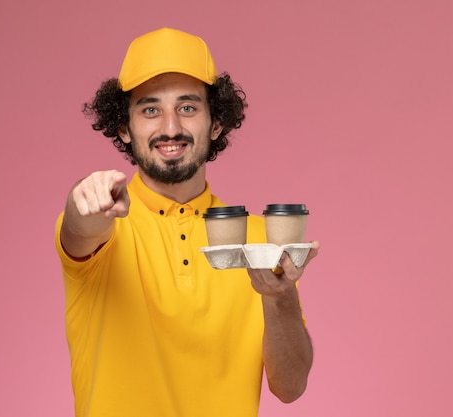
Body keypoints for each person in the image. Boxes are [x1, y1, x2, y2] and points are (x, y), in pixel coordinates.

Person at [54, 27, 318, 417]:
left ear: (216, 124)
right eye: (150, 109)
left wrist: (280, 297)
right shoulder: (106, 225)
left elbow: (291, 387)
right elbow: (79, 226)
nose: (171, 128)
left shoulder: (261, 242)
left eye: (188, 107)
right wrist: (84, 196)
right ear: (124, 128)